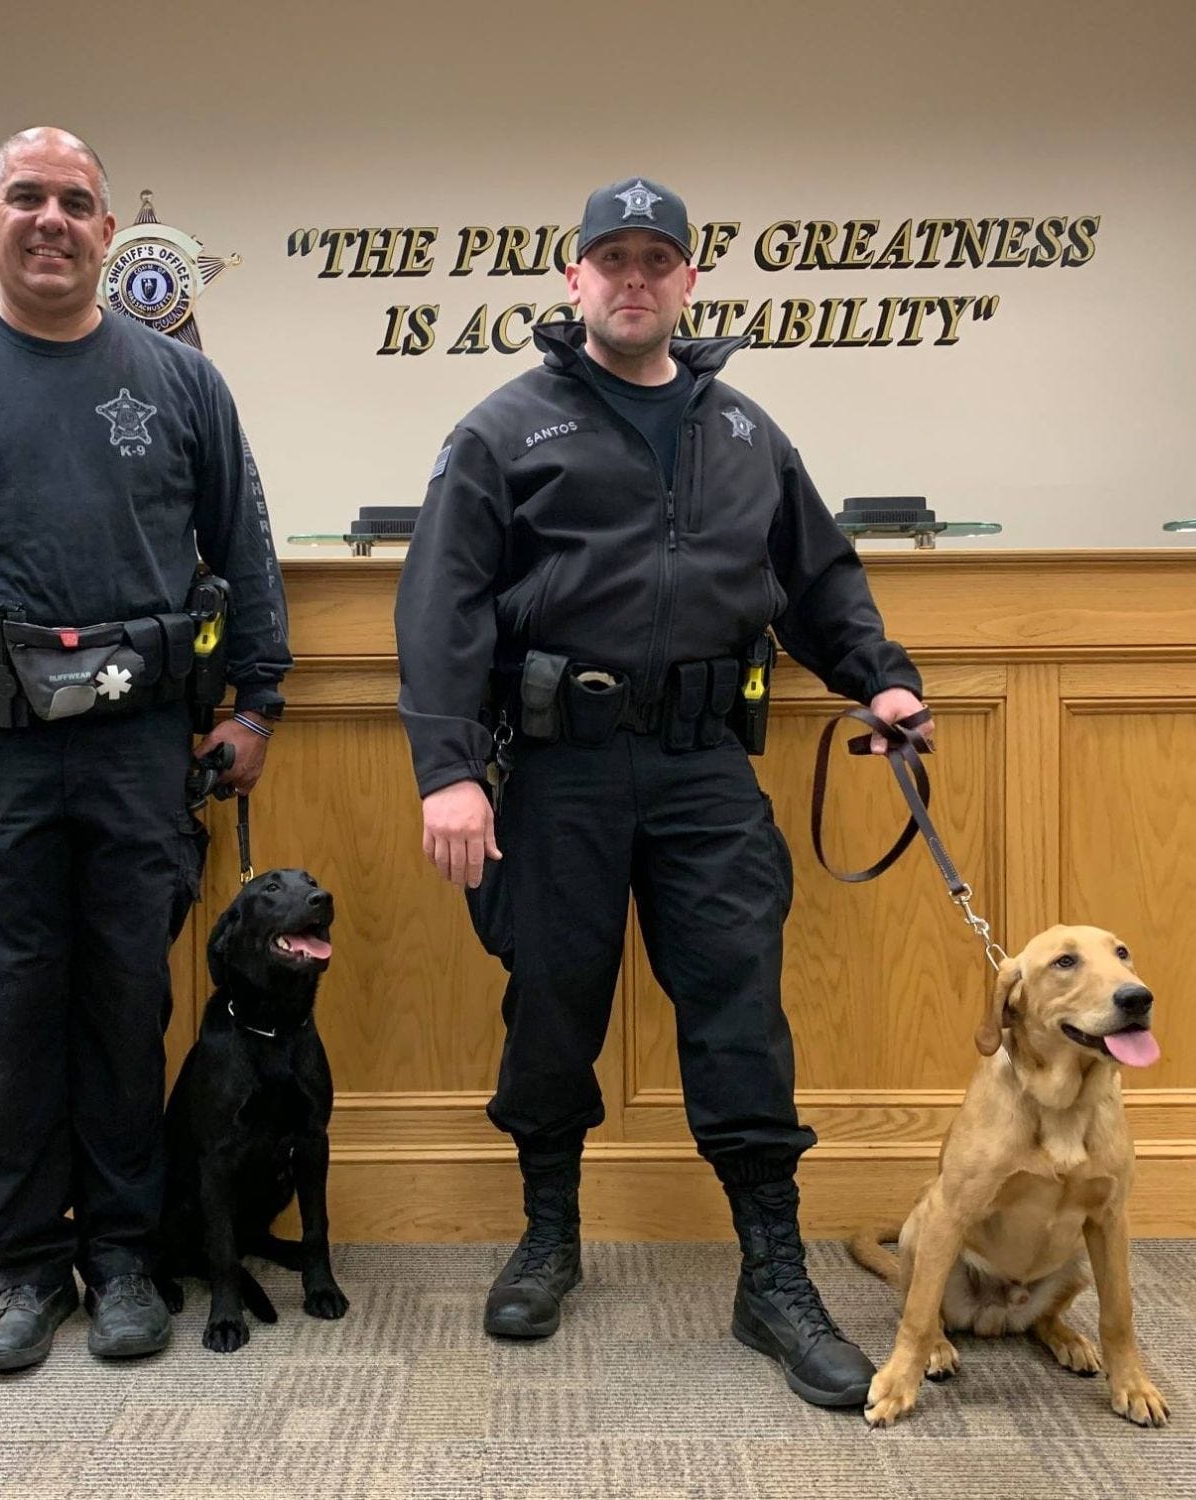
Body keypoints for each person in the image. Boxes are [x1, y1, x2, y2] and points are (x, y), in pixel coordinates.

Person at [393, 176, 930, 1409]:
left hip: (701, 769)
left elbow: (817, 581)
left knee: (739, 1008)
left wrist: (880, 684)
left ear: (688, 282)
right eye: (610, 260)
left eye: (656, 260)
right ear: (572, 280)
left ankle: (772, 1274)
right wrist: (448, 773)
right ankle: (546, 1235)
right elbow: (439, 611)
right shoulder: (501, 429)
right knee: (551, 1000)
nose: (632, 279)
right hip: (555, 770)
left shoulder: (742, 432)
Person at [0, 126, 291, 1375]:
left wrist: (252, 706)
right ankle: (27, 1267)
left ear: (104, 231)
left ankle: (125, 1258)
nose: (50, 220)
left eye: (74, 202)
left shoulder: (182, 383)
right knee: (11, 1013)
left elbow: (245, 551)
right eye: (25, 198)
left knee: (128, 1004)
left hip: (141, 750)